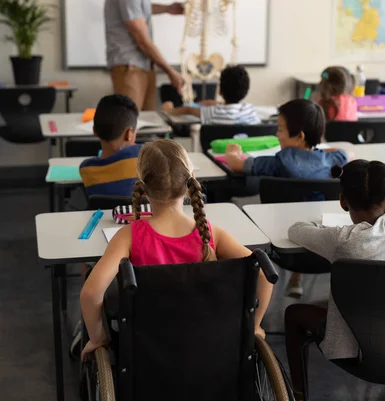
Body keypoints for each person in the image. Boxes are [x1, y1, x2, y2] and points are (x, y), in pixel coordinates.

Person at [80, 139, 273, 358]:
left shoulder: (129, 236)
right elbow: (265, 275)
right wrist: (254, 326)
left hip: (150, 347)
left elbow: (90, 293)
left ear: (142, 184)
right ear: (189, 180)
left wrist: (98, 339)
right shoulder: (210, 234)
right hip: (210, 343)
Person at [285, 159, 385, 401]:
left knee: (294, 314)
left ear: (342, 201)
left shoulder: (340, 239)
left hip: (356, 353)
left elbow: (296, 230)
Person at [225, 99, 349, 298]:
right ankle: (296, 279)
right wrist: (318, 152)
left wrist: (232, 151)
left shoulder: (280, 161)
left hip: (282, 242)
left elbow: (237, 165)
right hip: (326, 249)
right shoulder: (336, 161)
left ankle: (290, 280)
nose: (277, 134)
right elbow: (344, 152)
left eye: (281, 129)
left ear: (299, 136)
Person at [104, 0, 185, 110]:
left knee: (148, 127)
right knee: (129, 129)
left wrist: (168, 9)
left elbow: (138, 11)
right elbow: (141, 39)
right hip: (129, 68)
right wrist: (170, 71)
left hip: (144, 66)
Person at [80, 94, 140, 198]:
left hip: (105, 214)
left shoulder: (87, 168)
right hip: (144, 214)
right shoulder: (146, 157)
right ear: (129, 133)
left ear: (94, 130)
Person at [162, 65, 261, 125]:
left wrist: (170, 110)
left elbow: (189, 110)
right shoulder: (250, 109)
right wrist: (216, 103)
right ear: (246, 90)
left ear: (220, 91)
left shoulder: (212, 112)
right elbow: (229, 108)